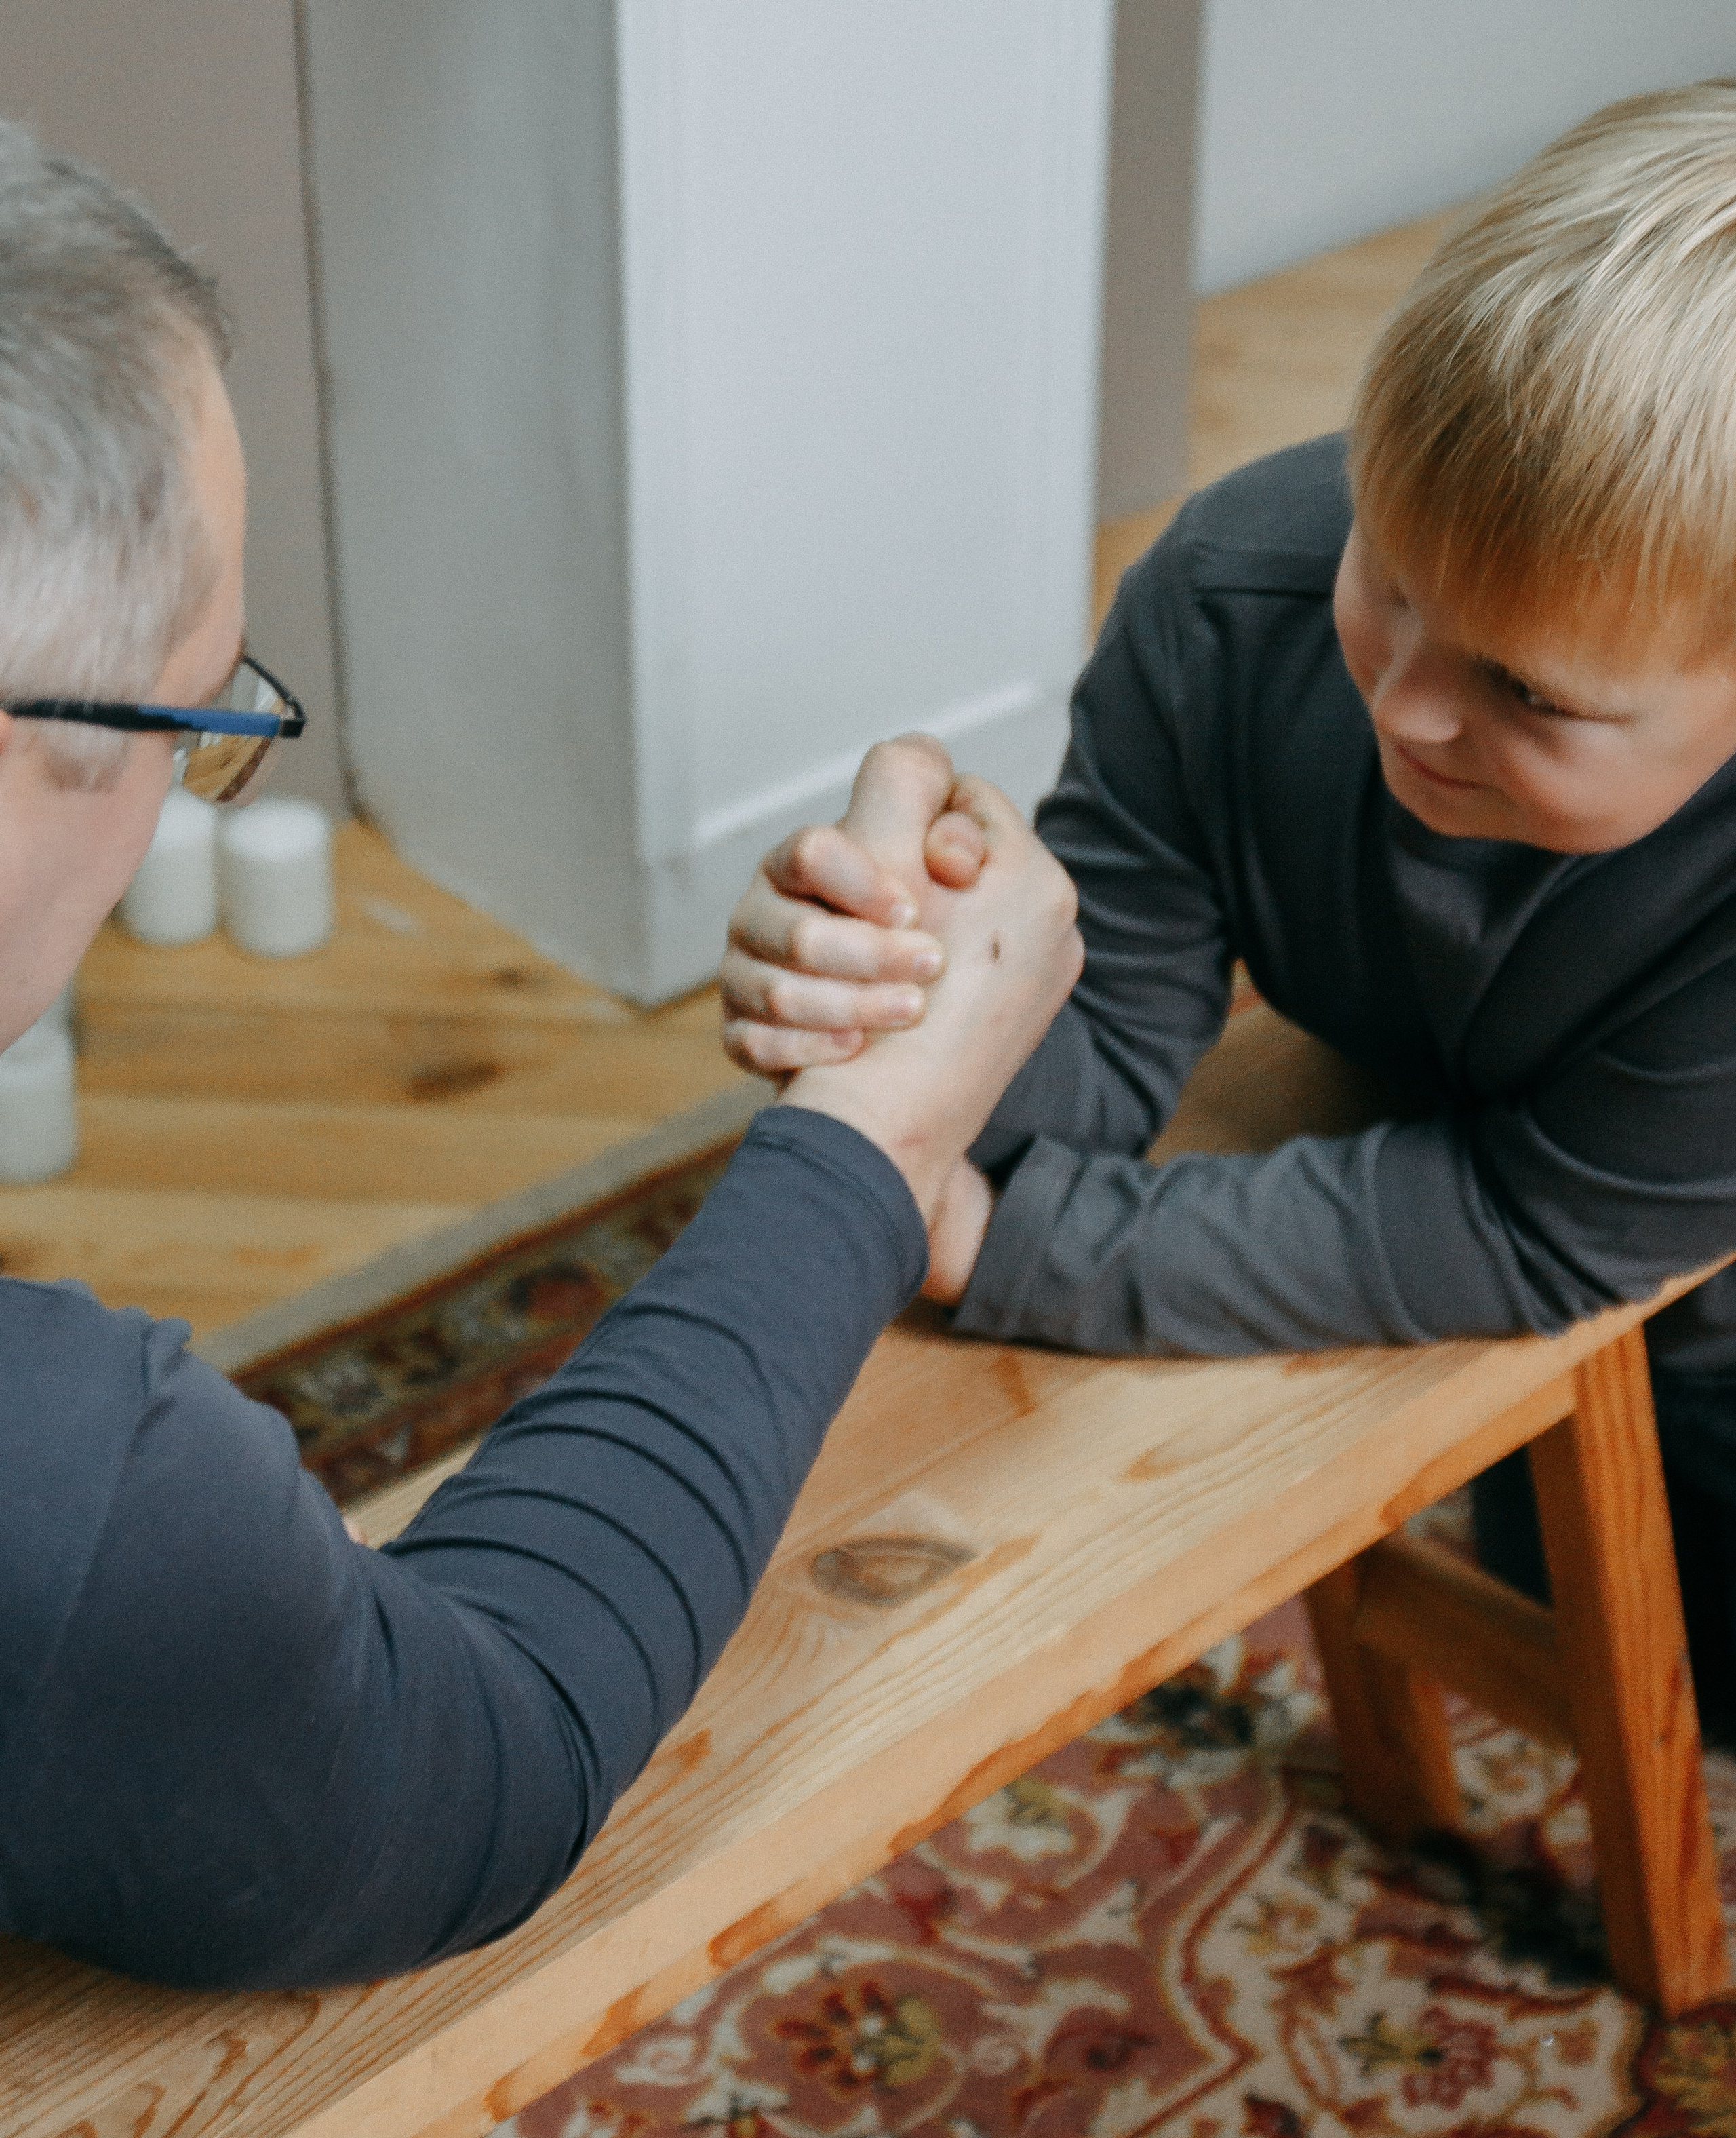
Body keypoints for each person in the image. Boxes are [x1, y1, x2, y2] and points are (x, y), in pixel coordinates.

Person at [0, 123, 1082, 1989]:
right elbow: (487, 1751)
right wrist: (870, 1146)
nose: (194, 779)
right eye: (201, 718)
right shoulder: (75, 1500)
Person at [720, 83, 1736, 1736]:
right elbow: (1110, 1022)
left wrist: (1014, 1247)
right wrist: (911, 999)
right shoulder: (1224, 601)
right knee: (1536, 1547)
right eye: (1386, 576)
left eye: (1522, 690)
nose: (1399, 704)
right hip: (1531, 1109)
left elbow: (1535, 1227)